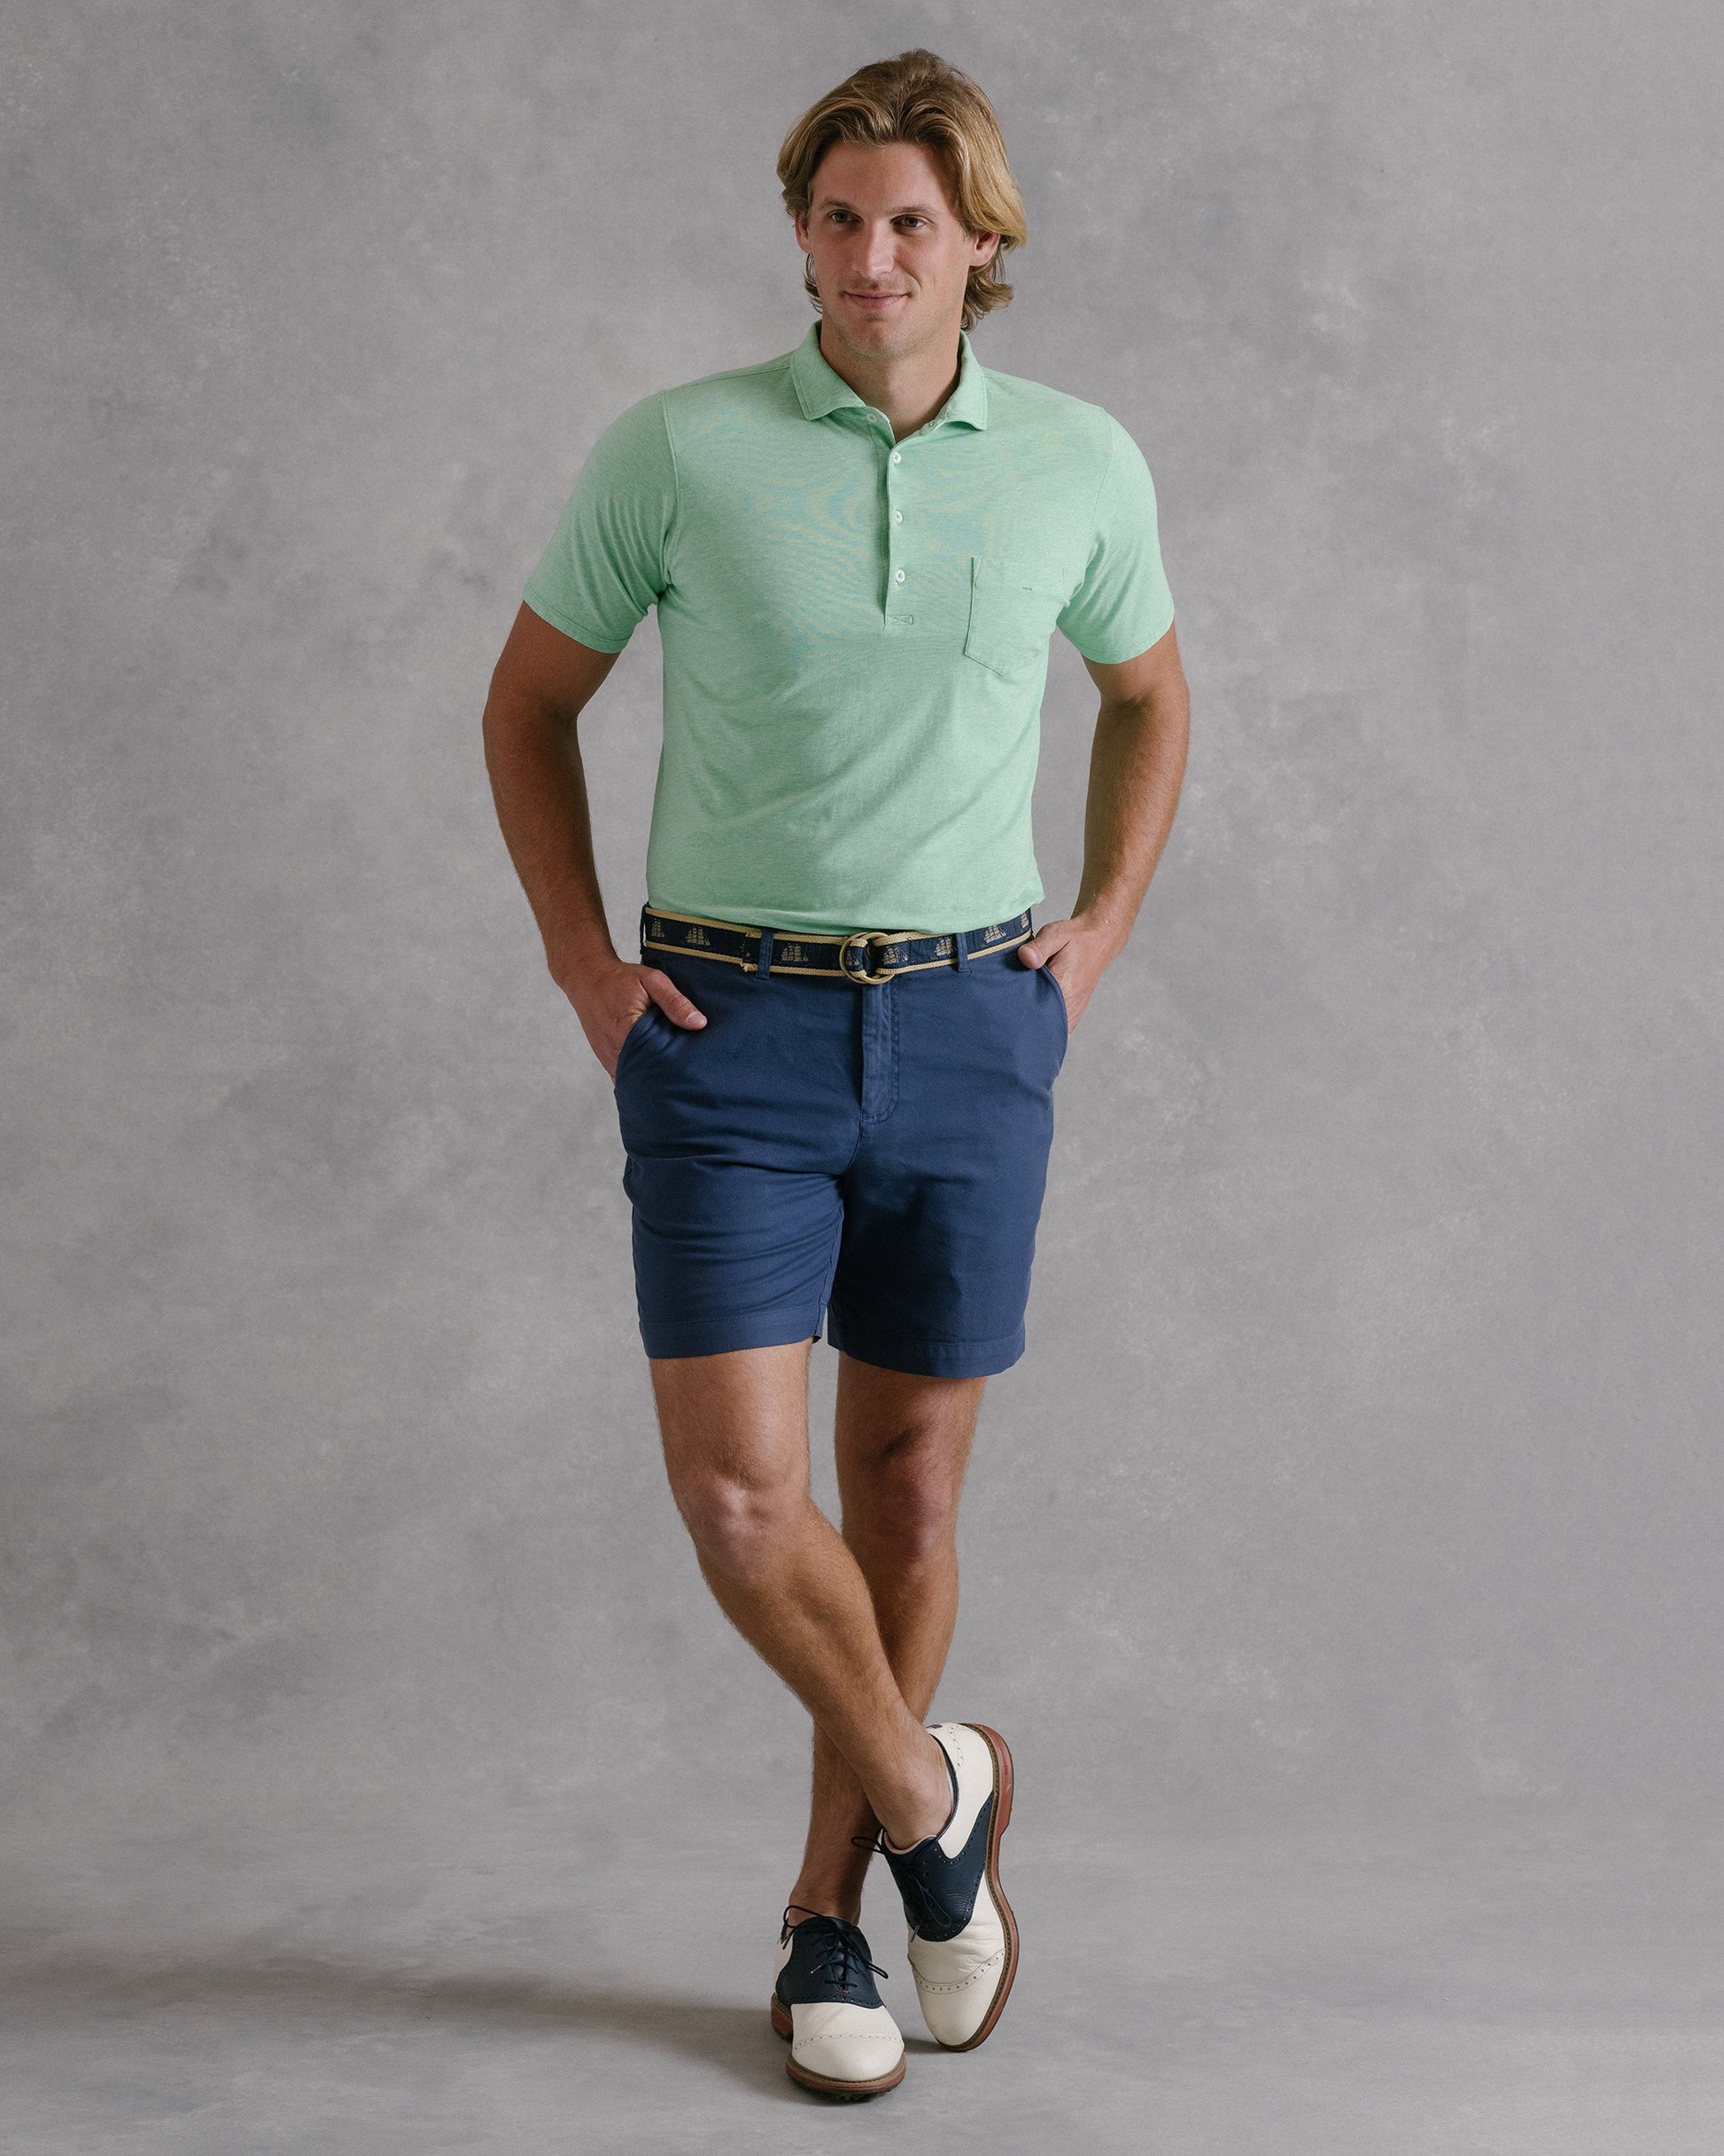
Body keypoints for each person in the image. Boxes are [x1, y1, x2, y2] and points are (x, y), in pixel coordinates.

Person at [482, 48, 1189, 2099]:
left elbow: (1148, 693)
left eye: (910, 223)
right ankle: (938, 1799)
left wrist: (1100, 925)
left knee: (905, 1486)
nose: (872, 257)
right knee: (739, 1493)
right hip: (730, 1027)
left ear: (980, 242)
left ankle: (828, 1914)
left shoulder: (1075, 461)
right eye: (838, 218)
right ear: (800, 234)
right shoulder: (678, 451)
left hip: (972, 1024)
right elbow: (528, 702)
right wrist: (581, 960)